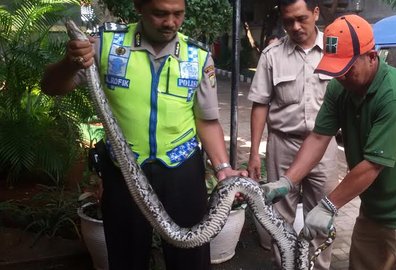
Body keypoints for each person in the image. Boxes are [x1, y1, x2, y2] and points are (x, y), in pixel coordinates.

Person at [41, 0, 246, 269]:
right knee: (126, 257)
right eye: (160, 13)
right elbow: (51, 87)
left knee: (191, 258)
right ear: (139, 8)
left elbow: (207, 121)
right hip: (123, 170)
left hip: (181, 170)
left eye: (178, 14)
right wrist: (70, 63)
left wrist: (222, 169)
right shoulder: (106, 46)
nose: (170, 22)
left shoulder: (197, 56)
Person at [262, 14, 396, 270]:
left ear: (371, 57)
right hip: (372, 208)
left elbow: (371, 165)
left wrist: (328, 205)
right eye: (335, 70)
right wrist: (287, 181)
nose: (341, 77)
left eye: (347, 69)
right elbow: (318, 137)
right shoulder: (340, 87)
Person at [247, 0, 338, 269]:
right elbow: (260, 104)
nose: (295, 27)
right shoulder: (272, 55)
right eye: (288, 21)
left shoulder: (335, 50)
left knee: (323, 214)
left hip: (324, 147)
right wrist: (254, 152)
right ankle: (284, 265)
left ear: (316, 13)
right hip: (282, 145)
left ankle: (318, 266)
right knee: (279, 215)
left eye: (301, 18)